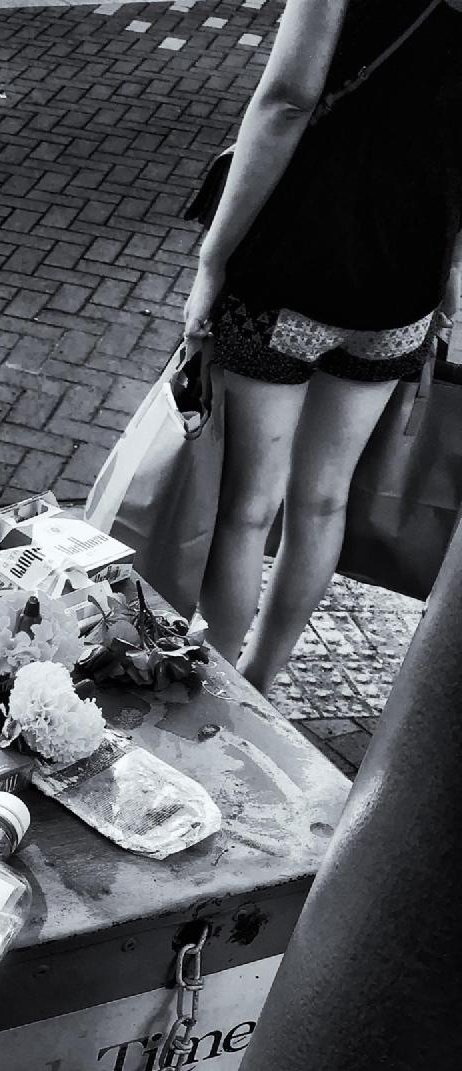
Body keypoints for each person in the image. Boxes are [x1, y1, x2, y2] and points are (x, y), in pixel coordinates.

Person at [184, 0, 462, 694]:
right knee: (323, 501)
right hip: (405, 289)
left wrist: (213, 260)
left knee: (249, 506)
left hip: (291, 272)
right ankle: (261, 681)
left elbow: (284, 103)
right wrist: (450, 274)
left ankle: (214, 690)